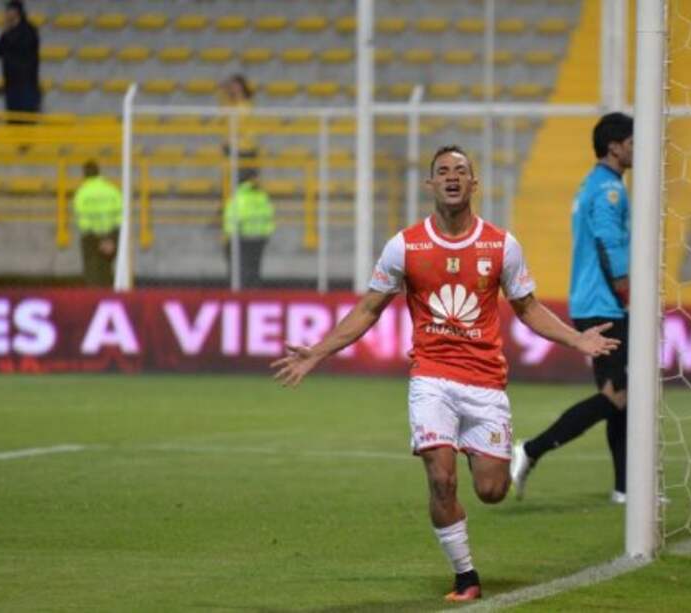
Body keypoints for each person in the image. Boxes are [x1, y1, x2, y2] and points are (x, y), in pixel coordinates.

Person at [273, 145, 620, 602]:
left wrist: (577, 340)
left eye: (461, 171)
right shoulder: (405, 245)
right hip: (431, 377)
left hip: (485, 381)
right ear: (430, 185)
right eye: (443, 172)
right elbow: (368, 309)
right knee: (441, 477)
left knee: (491, 490)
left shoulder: (501, 245)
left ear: (474, 184)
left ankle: (483, 498)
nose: (452, 177)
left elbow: (528, 308)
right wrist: (318, 351)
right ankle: (465, 576)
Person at [510, 112, 634, 504]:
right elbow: (607, 242)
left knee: (620, 397)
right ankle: (531, 449)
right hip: (605, 304)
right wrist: (626, 290)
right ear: (615, 146)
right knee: (617, 395)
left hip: (593, 300)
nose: (637, 149)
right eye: (633, 141)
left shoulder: (592, 185)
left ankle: (624, 490)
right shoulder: (609, 191)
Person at [0, 0, 41, 118]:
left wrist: (8, 32)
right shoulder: (8, 31)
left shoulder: (28, 30)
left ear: (16, 12)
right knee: (12, 118)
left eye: (8, 10)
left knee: (26, 120)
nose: (5, 13)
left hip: (26, 83)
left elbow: (19, 49)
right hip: (11, 83)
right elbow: (1, 50)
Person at [72, 160, 123, 287]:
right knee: (107, 271)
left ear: (84, 174)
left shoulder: (82, 193)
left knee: (92, 273)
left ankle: (94, 300)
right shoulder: (112, 191)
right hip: (111, 237)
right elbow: (120, 217)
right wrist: (110, 239)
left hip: (92, 239)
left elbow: (83, 222)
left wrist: (99, 240)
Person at [222, 167, 274, 288]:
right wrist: (266, 233)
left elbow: (232, 217)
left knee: (243, 270)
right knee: (253, 270)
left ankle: (244, 295)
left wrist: (230, 236)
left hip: (244, 238)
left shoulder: (239, 196)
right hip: (255, 238)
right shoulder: (260, 196)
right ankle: (251, 293)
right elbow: (268, 216)